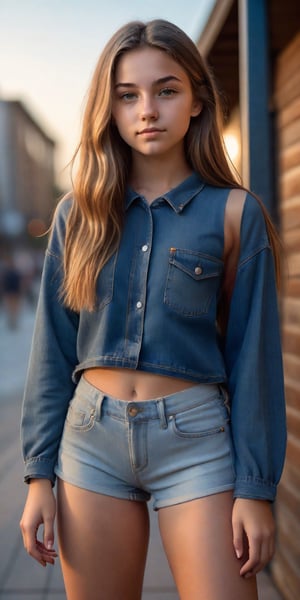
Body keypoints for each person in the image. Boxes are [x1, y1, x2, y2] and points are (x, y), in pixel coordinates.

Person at [20, 19, 286, 600]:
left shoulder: (236, 214)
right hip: (90, 442)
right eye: (128, 96)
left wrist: (256, 488)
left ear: (196, 100)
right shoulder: (77, 216)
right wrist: (39, 475)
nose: (148, 110)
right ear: (109, 109)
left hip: (198, 444)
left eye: (166, 90)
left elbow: (255, 362)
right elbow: (52, 351)